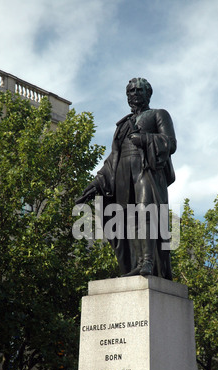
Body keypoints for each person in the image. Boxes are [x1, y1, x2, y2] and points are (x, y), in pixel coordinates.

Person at [77, 78, 176, 279]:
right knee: (126, 219)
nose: (135, 93)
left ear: (148, 94)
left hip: (145, 168)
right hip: (122, 173)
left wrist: (145, 139)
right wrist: (97, 182)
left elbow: (170, 143)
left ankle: (148, 261)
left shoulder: (159, 114)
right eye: (131, 91)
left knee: (145, 211)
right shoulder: (122, 125)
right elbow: (114, 157)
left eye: (139, 90)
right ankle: (136, 262)